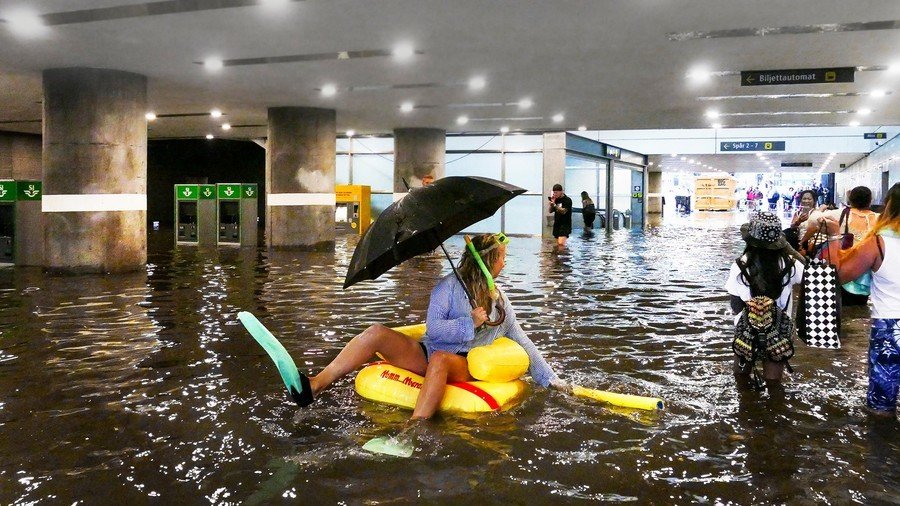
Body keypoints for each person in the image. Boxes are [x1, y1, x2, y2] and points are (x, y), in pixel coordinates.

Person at [301, 233, 567, 420]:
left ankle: (414, 428)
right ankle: (317, 384)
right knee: (375, 332)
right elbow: (434, 329)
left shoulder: (500, 301)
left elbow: (521, 339)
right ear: (488, 263)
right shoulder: (447, 287)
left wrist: (550, 379)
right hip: (430, 352)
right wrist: (469, 323)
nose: (504, 263)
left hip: (461, 363)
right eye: (501, 258)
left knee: (440, 359)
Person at [819, 183, 899, 416]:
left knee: (882, 407)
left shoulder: (879, 243)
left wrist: (833, 237)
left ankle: (882, 449)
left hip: (891, 328)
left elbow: (839, 275)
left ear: (889, 207)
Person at [724, 211, 804, 386]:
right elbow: (813, 275)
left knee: (741, 379)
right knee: (774, 384)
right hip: (779, 333)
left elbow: (736, 305)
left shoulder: (740, 265)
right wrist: (789, 249)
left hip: (746, 331)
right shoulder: (791, 265)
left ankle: (746, 409)